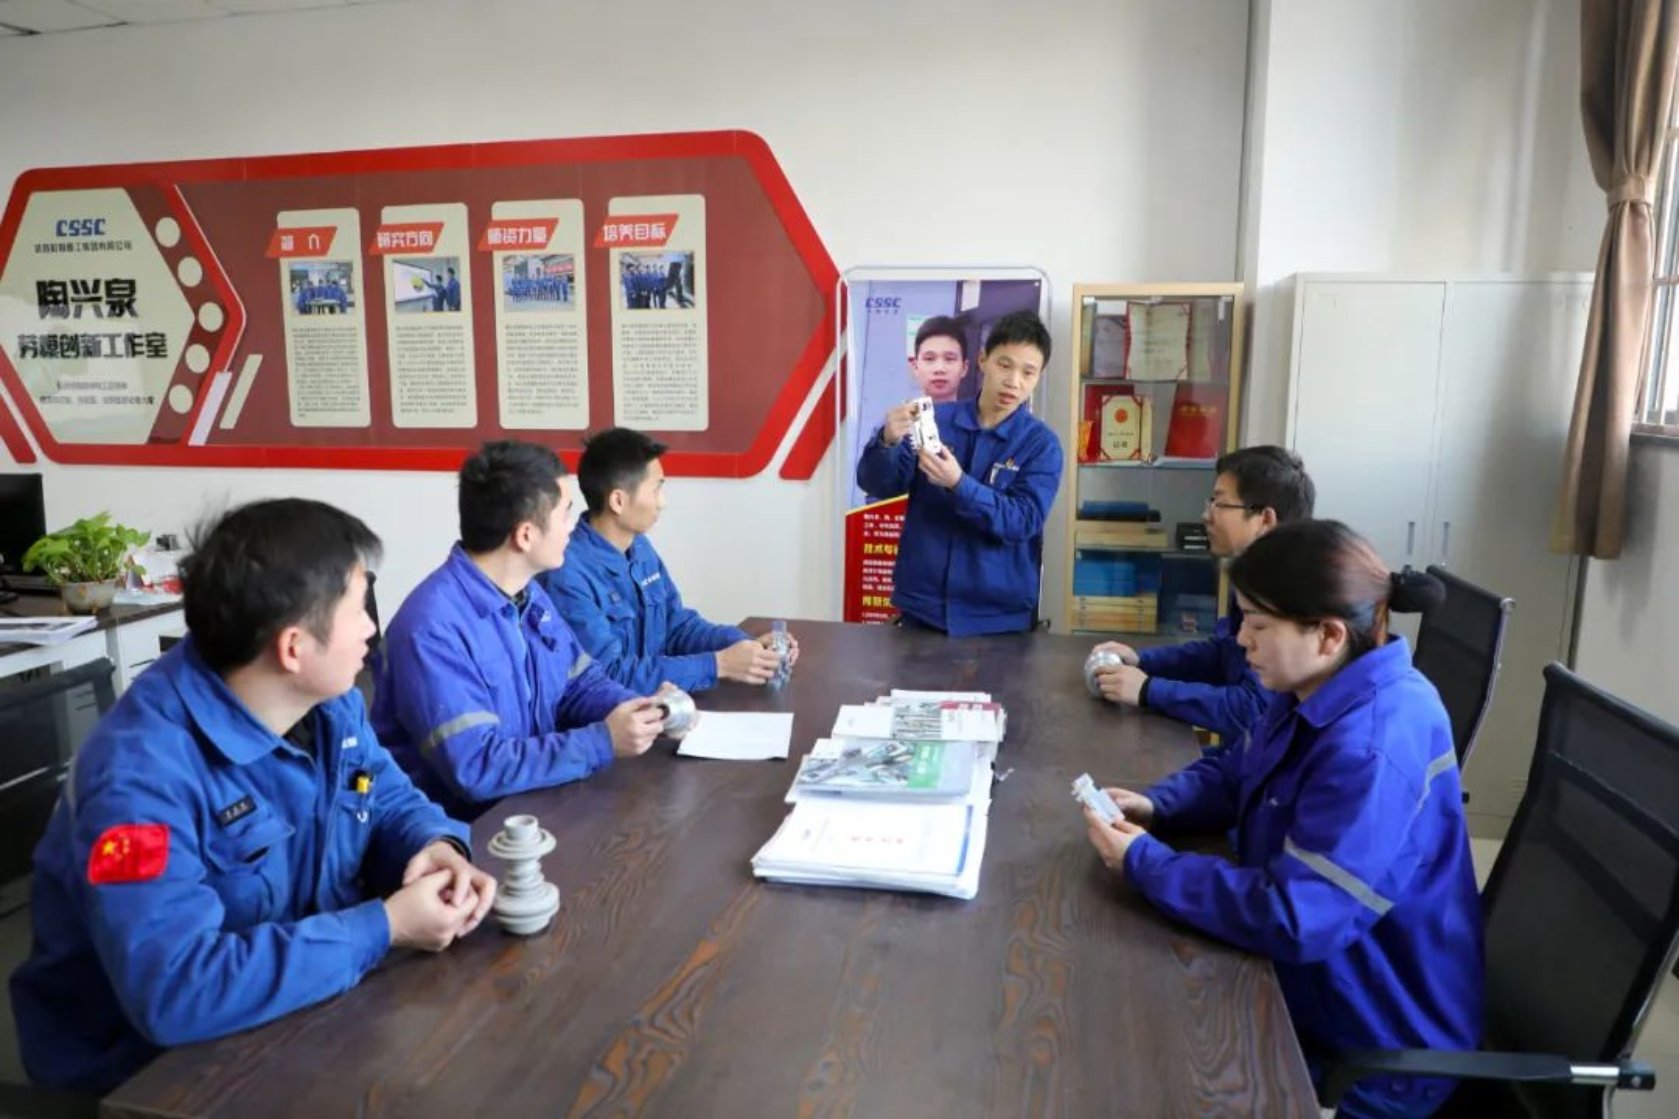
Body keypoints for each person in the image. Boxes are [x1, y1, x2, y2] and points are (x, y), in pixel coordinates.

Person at [9, 499, 495, 1095]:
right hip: (148, 1079)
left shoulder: (328, 702)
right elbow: (174, 990)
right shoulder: (135, 780)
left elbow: (382, 793)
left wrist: (433, 844)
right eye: (356, 609)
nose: (372, 628)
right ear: (293, 648)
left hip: (303, 1013)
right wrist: (384, 927)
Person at [1081, 520, 1478, 1119]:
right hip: (1315, 984)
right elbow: (1235, 770)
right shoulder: (1315, 686)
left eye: (1258, 625)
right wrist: (1160, 803)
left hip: (1369, 1047)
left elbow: (1295, 916)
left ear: (1328, 634)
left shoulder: (1371, 746)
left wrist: (1147, 863)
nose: (1241, 640)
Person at [373, 440, 670, 821]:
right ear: (526, 535)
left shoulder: (526, 593)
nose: (572, 528)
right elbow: (477, 766)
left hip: (533, 802)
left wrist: (640, 711)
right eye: (565, 514)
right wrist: (602, 741)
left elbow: (580, 684)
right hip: (464, 832)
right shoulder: (430, 629)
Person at [855, 309, 1061, 636]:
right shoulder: (935, 420)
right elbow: (880, 484)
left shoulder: (1041, 444)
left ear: (1039, 375)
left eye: (1028, 372)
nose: (1014, 381)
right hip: (921, 610)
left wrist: (958, 484)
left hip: (998, 620)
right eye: (1004, 365)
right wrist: (887, 441)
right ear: (982, 360)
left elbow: (1023, 521)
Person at [542, 427, 794, 694]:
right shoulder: (566, 574)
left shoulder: (639, 547)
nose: (663, 503)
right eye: (656, 489)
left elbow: (676, 627)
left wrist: (747, 646)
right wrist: (718, 664)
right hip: (614, 716)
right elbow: (609, 675)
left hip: (656, 707)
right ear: (618, 501)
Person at [1091, 445, 1315, 739]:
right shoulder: (1256, 579)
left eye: (1220, 504)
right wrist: (1142, 660)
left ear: (1265, 519)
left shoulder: (1290, 596)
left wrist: (1147, 690)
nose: (1206, 515)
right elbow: (1223, 653)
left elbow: (1252, 709)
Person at [907, 314, 971, 403]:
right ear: (915, 367)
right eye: (929, 359)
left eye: (949, 359)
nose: (939, 369)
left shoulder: (977, 412)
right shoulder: (900, 412)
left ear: (964, 368)